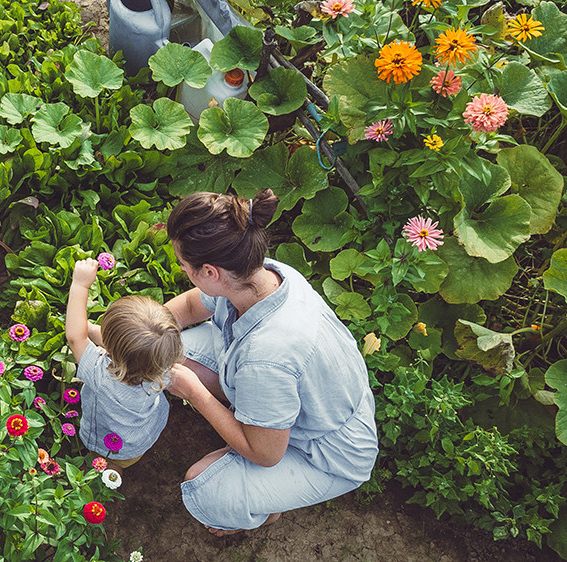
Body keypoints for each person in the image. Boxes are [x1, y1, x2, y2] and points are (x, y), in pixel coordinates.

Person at [162, 189, 378, 535]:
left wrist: (193, 392)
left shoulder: (267, 357)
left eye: (184, 266)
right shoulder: (260, 274)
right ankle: (255, 422)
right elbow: (189, 307)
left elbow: (264, 454)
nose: (183, 269)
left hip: (328, 452)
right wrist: (143, 330)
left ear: (210, 272)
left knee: (205, 489)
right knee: (168, 351)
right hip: (306, 395)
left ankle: (266, 510)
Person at [66, 258, 184, 470]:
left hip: (109, 443)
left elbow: (75, 337)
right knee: (121, 460)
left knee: (106, 464)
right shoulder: (163, 366)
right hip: (141, 438)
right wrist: (91, 329)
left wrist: (80, 285)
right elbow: (129, 351)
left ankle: (109, 477)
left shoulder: (101, 375)